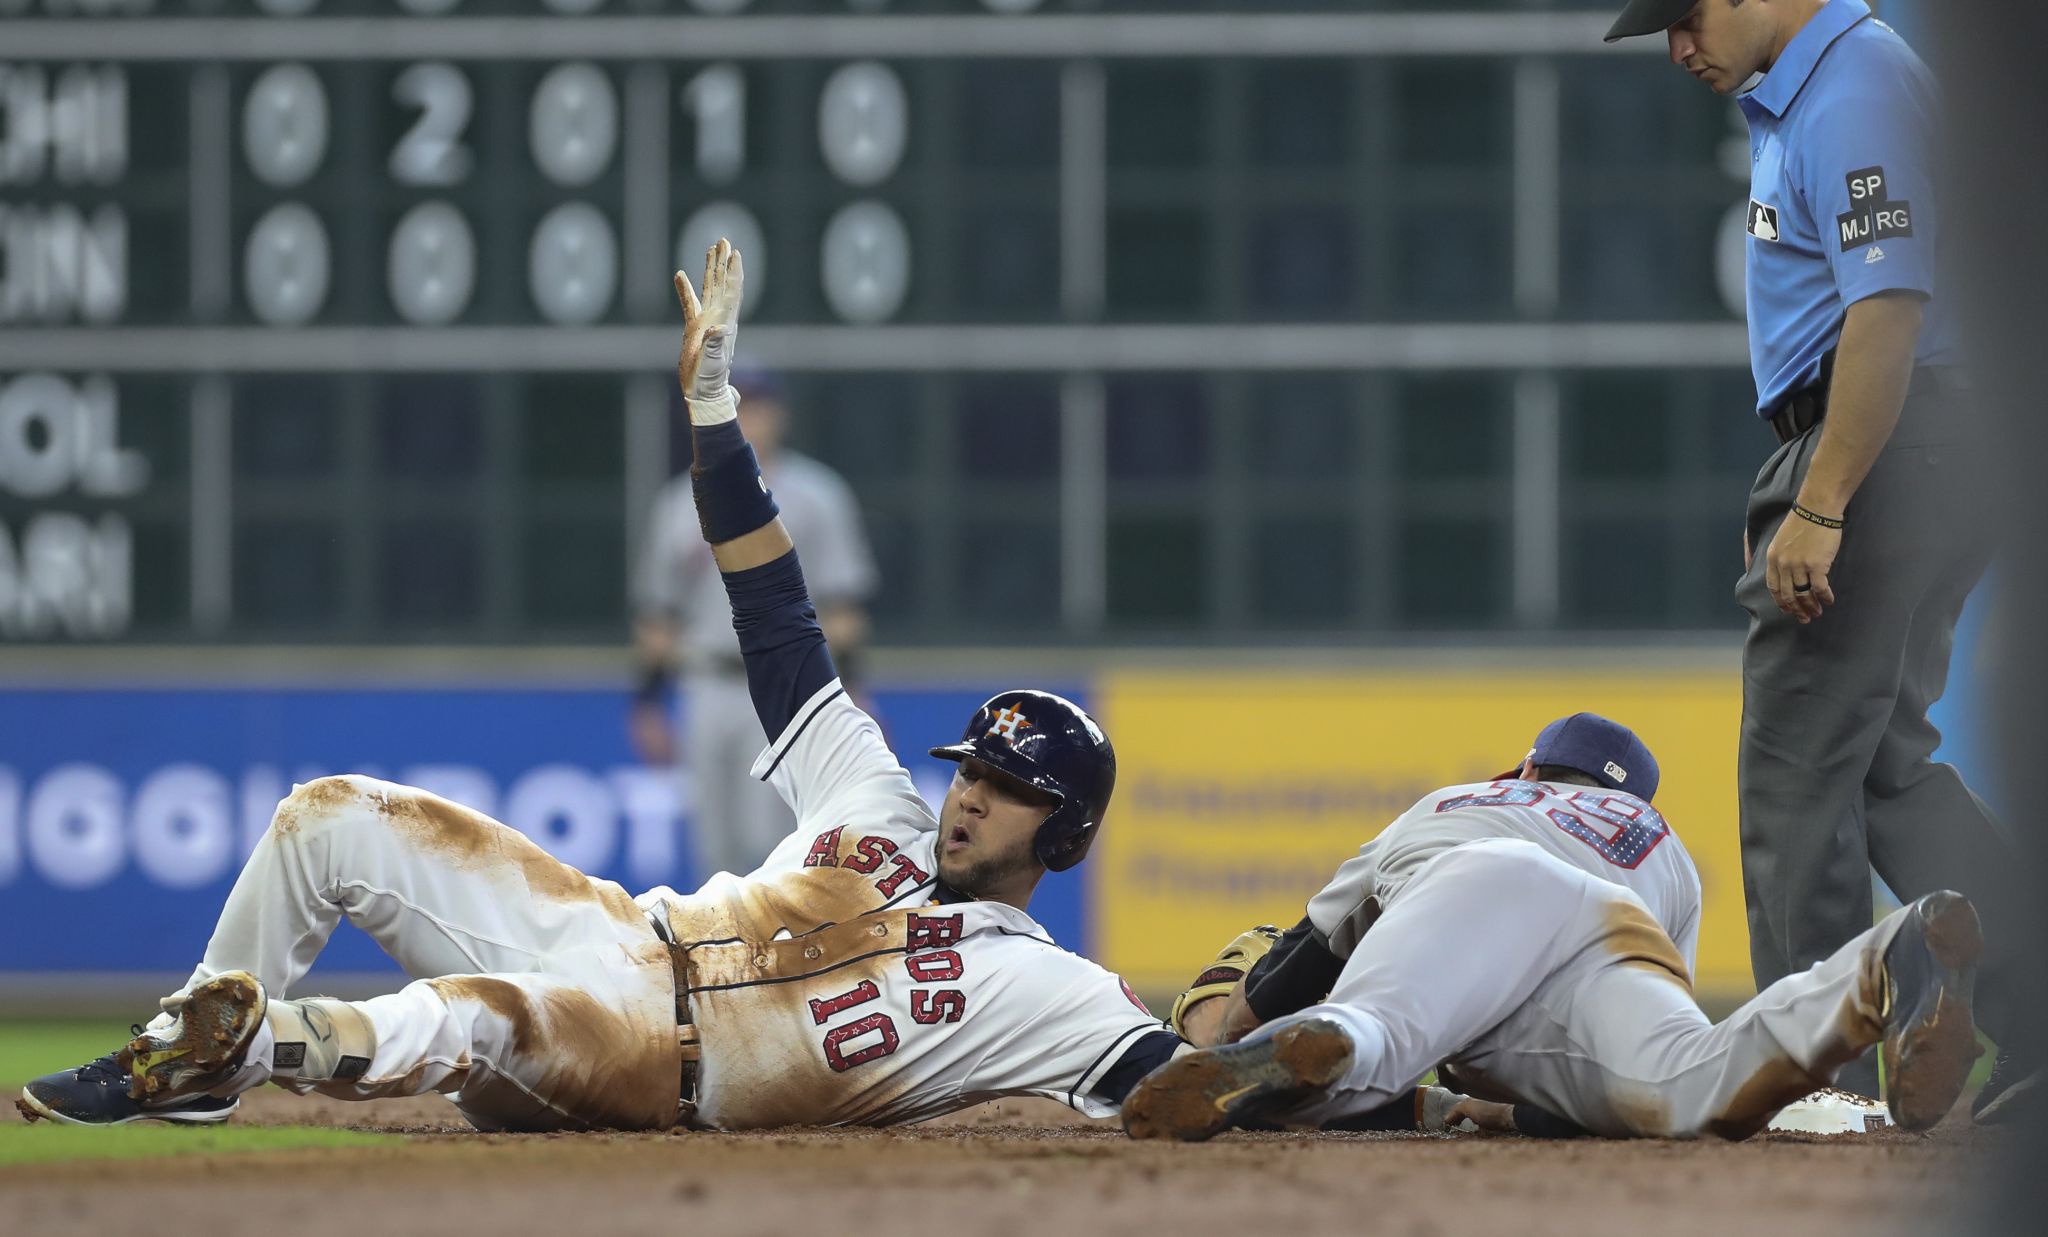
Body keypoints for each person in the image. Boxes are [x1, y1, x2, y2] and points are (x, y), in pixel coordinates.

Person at [15, 241, 1181, 1133]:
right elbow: (775, 620)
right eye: (971, 767)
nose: (971, 793)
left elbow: (1193, 1084)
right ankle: (196, 1055)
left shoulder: (1046, 989)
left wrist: (1336, 1034)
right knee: (327, 817)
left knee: (474, 1015)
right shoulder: (873, 799)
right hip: (616, 929)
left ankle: (260, 1043)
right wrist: (712, 419)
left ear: (1064, 834)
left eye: (1007, 785)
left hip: (656, 1059)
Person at [1603, 0, 2035, 1118]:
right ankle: (2034, 1016)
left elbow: (1887, 305)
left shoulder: (1852, 80)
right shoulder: (1816, 86)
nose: (1675, 47)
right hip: (1908, 441)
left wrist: (1824, 495)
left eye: (1685, 17)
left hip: (1885, 442)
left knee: (1795, 774)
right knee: (1886, 767)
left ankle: (1813, 1083)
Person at [1121, 713, 1985, 1141]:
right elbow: (1584, 1106)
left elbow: (1301, 962)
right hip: (1616, 926)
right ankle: (1884, 956)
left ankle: (1336, 1037)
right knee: (1690, 1083)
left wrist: (1237, 1020)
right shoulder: (1661, 843)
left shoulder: (1454, 802)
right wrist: (1503, 1117)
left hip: (1476, 883)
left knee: (1372, 1031)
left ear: (1529, 768)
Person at [631, 369, 878, 884]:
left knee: (776, 844)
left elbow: (842, 606)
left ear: (779, 415)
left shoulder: (817, 496)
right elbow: (660, 615)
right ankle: (723, 965)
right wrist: (648, 699)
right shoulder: (680, 503)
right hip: (705, 681)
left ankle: (781, 961)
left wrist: (851, 687)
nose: (748, 419)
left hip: (789, 684)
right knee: (712, 850)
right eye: (738, 406)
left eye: (757, 406)